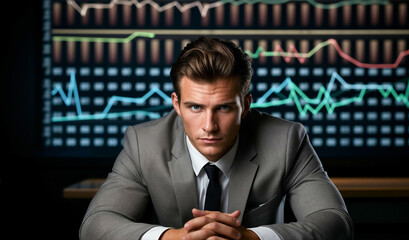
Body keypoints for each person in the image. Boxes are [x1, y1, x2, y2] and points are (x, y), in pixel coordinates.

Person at [80, 36, 353, 240]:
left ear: (245, 105)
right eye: (195, 107)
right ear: (176, 104)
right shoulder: (143, 143)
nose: (209, 126)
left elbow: (336, 222)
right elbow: (95, 225)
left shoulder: (286, 140)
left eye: (223, 107)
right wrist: (173, 238)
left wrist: (251, 238)